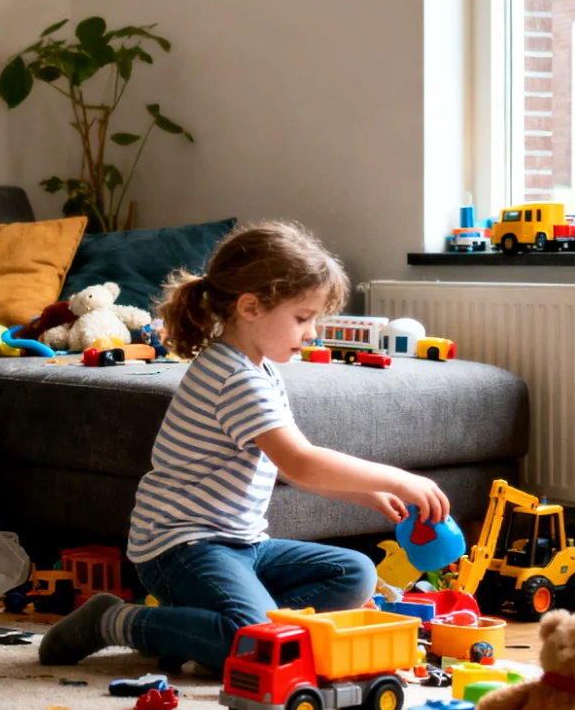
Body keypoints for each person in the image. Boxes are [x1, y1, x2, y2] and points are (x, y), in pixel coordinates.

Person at [38, 221, 452, 672]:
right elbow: (303, 462)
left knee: (355, 574)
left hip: (242, 543)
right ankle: (116, 621)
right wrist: (400, 479)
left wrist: (366, 494)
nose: (312, 332)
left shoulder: (258, 370)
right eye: (302, 318)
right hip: (181, 548)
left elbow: (290, 467)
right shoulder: (235, 379)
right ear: (250, 307)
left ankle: (202, 633)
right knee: (255, 644)